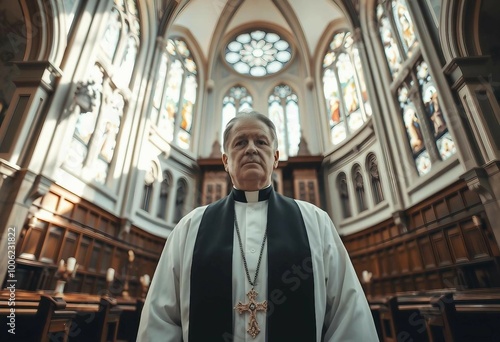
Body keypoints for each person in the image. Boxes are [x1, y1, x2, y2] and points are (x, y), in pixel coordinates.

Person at [137, 111, 378, 341]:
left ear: (275, 158)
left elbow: (348, 316)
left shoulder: (315, 222)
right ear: (225, 161)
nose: (251, 148)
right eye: (240, 142)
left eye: (261, 142)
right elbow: (161, 320)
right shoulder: (190, 228)